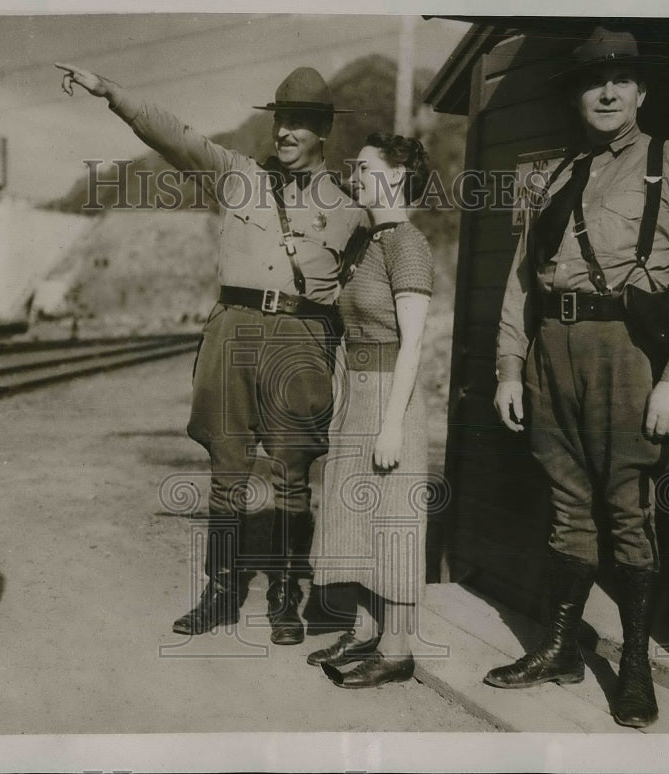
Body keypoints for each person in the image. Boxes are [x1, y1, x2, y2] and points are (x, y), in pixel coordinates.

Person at [55, 63, 364, 645]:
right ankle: (219, 592)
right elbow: (176, 135)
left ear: (322, 129)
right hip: (233, 332)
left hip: (301, 339)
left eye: (299, 123)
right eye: (281, 122)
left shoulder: (351, 209)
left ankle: (282, 596)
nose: (286, 133)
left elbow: (360, 292)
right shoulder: (238, 177)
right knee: (226, 473)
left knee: (293, 476)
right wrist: (112, 92)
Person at [485, 27, 669, 727]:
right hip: (550, 355)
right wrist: (510, 366)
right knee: (567, 505)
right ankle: (560, 648)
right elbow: (519, 284)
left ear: (641, 91)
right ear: (576, 94)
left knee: (629, 507)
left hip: (629, 354)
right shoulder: (557, 176)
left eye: (621, 79)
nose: (607, 90)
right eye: (594, 80)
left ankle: (631, 670)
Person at [305, 133, 434, 688]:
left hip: (390, 396)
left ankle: (398, 650)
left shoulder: (408, 243)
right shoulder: (368, 240)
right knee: (357, 516)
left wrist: (391, 425)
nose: (352, 177)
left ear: (398, 175)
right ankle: (363, 631)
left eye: (363, 168)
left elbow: (414, 342)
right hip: (357, 392)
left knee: (394, 522)